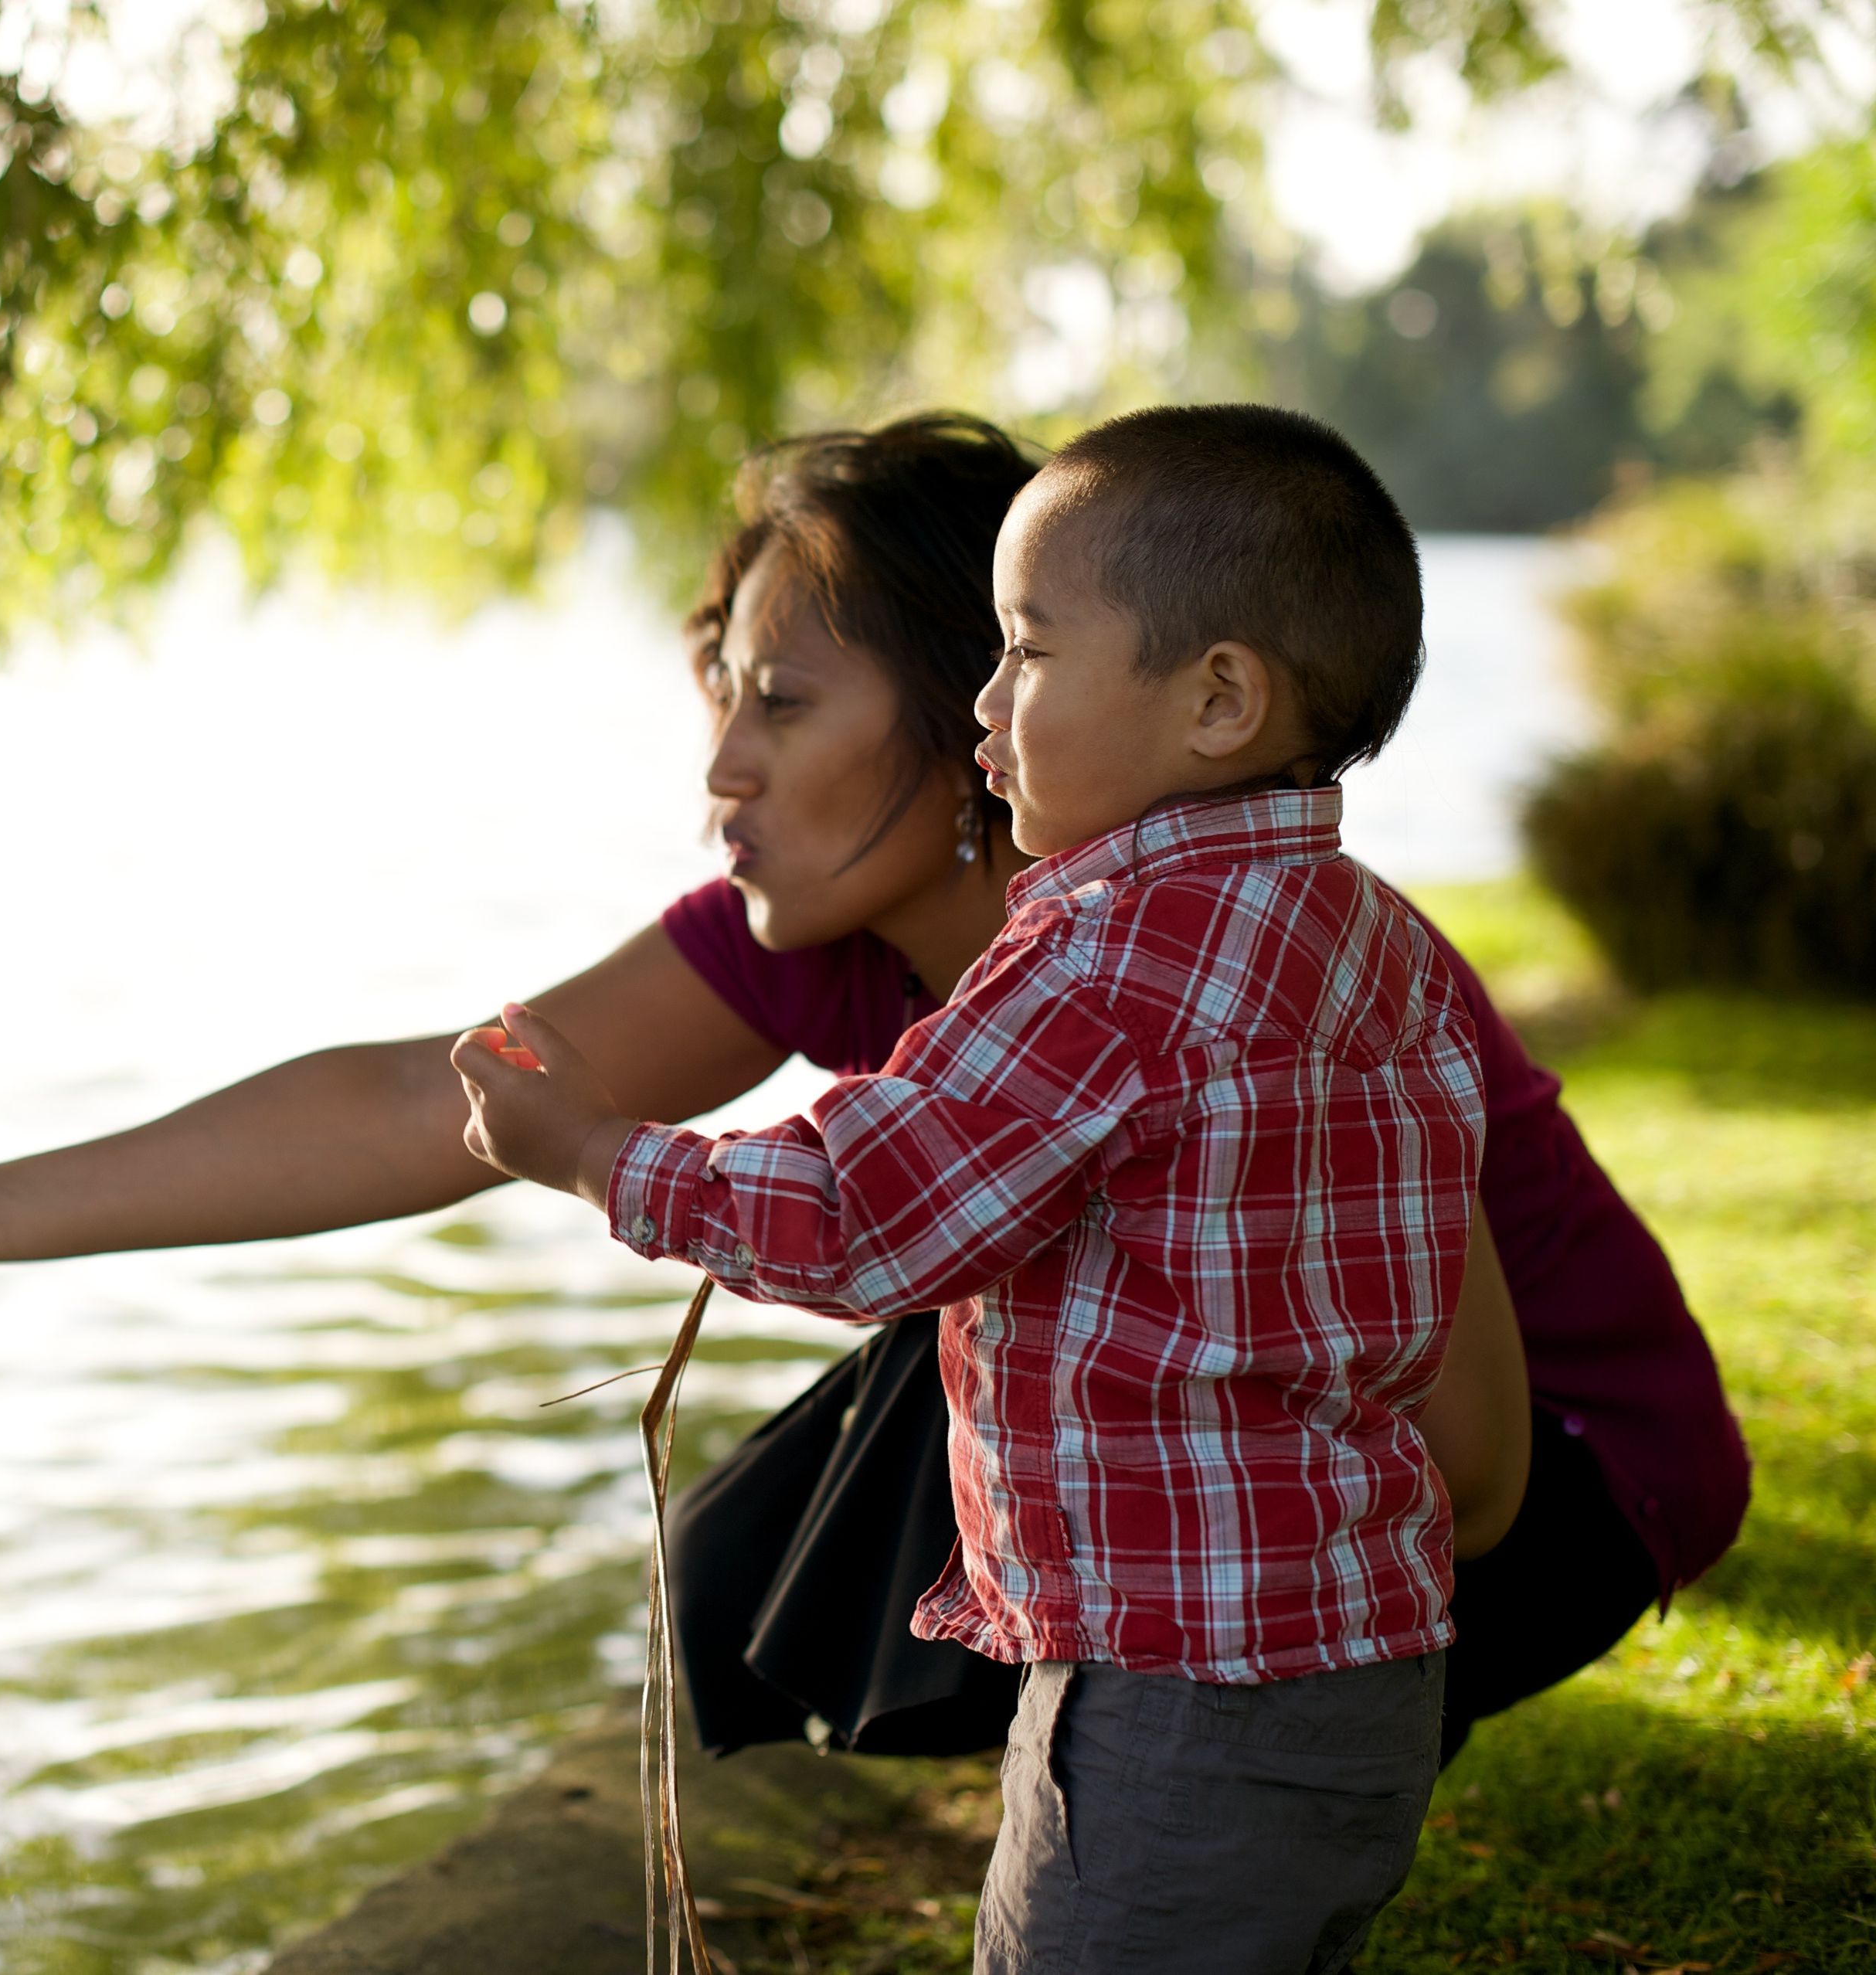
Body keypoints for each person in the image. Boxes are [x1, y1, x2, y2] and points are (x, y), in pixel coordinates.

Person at [0, 410, 1745, 1773]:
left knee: (921, 1379)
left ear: (975, 713)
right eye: (719, 696)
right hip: (1291, 1451)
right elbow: (430, 1095)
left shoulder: (1257, 960)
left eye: (786, 701)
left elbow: (1455, 1465)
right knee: (803, 1506)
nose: (721, 765)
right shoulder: (842, 936)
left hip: (1549, 1472)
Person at [453, 403, 1481, 1969]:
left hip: (1173, 1686)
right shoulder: (1372, 934)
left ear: (1217, 700)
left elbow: (865, 1216)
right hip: (1363, 1660)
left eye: (1027, 653)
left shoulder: (1103, 962)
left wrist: (600, 1151)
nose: (984, 705)